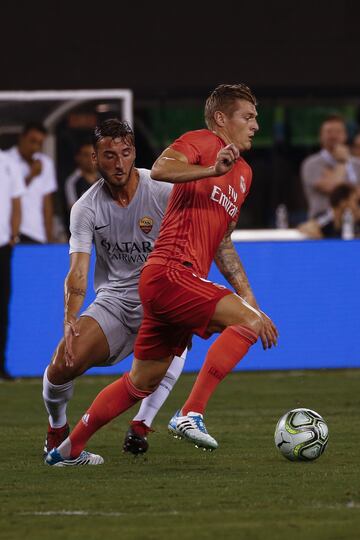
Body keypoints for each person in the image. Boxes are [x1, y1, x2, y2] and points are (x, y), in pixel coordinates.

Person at [46, 83, 278, 467]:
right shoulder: (203, 141)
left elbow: (223, 242)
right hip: (171, 270)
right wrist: (209, 168)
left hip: (166, 282)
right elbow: (161, 168)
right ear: (222, 119)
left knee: (141, 382)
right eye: (248, 117)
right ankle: (190, 412)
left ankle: (66, 450)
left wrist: (249, 297)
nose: (255, 125)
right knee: (249, 327)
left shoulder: (244, 175)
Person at [42, 118, 186, 463]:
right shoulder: (86, 207)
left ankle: (142, 425)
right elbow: (77, 270)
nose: (119, 163)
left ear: (134, 152)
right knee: (65, 361)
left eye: (125, 153)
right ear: (95, 159)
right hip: (116, 302)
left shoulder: (163, 190)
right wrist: (70, 317)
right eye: (109, 155)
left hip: (161, 298)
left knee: (173, 345)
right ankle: (57, 429)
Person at [5, 122, 57, 243]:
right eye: (32, 141)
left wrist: (49, 237)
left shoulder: (45, 163)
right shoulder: (6, 161)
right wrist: (31, 176)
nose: (35, 147)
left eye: (40, 143)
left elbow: (47, 204)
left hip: (36, 232)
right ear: (22, 138)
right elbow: (5, 196)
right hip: (9, 233)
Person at [301, 114, 360, 219]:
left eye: (338, 132)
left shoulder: (357, 164)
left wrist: (335, 178)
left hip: (355, 223)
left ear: (345, 135)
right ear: (320, 136)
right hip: (322, 226)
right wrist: (341, 162)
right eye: (328, 132)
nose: (333, 136)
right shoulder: (311, 164)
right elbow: (336, 191)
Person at [0, 150, 24, 380]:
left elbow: (16, 200)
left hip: (2, 248)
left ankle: (1, 364)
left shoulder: (9, 163)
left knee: (2, 308)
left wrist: (13, 235)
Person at [64, 142, 99, 209]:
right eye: (86, 155)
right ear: (77, 157)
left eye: (93, 155)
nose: (90, 159)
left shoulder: (105, 179)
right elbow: (73, 210)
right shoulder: (72, 182)